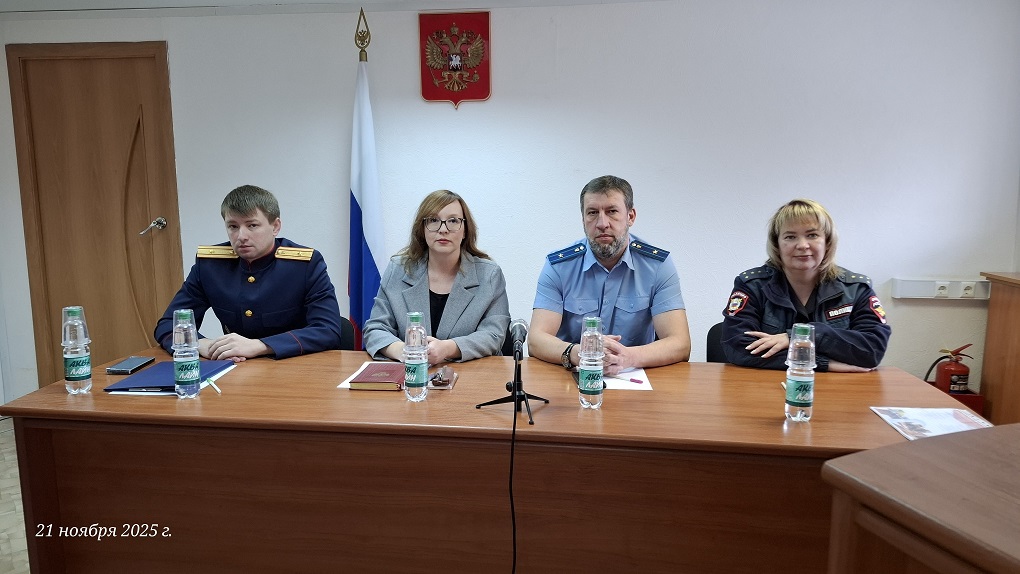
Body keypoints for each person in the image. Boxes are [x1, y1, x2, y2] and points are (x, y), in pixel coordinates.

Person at [153, 185, 343, 361]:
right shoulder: (210, 266)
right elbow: (169, 324)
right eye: (233, 226)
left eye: (252, 225)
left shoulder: (304, 265)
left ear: (275, 226)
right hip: (235, 368)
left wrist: (260, 346)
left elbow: (327, 329)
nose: (241, 236)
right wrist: (201, 344)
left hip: (294, 365)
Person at [529, 175, 691, 376]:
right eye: (592, 213)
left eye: (612, 211)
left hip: (633, 377)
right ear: (583, 219)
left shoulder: (657, 266)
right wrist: (578, 353)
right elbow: (536, 339)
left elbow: (680, 343)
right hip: (571, 376)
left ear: (630, 216)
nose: (602, 223)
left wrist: (626, 357)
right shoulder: (558, 266)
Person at [721, 198, 891, 371]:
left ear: (827, 241)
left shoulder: (856, 289)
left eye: (812, 235)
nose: (802, 245)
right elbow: (737, 347)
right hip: (768, 385)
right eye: (790, 237)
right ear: (777, 244)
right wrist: (825, 363)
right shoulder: (752, 285)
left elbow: (873, 349)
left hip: (839, 387)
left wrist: (800, 336)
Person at [363, 189, 510, 363]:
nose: (443, 229)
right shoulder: (399, 269)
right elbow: (376, 328)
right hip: (410, 372)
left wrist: (448, 348)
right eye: (433, 220)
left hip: (471, 374)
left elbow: (494, 334)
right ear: (422, 229)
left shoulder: (489, 275)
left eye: (453, 221)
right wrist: (405, 351)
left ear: (465, 230)